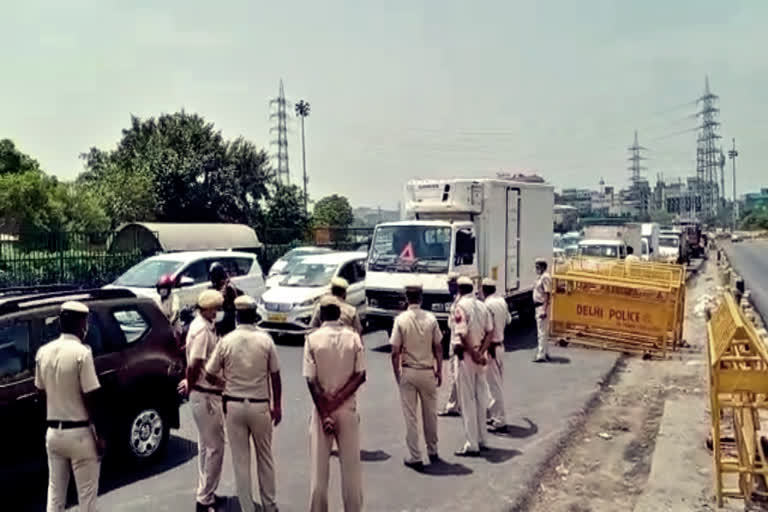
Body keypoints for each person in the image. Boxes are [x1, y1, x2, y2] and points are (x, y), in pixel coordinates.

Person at [205, 295, 282, 512]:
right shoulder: (265, 340)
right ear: (254, 316)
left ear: (237, 316)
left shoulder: (226, 341)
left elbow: (209, 374)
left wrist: (225, 384)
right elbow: (275, 376)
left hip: (234, 406)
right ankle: (269, 505)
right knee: (265, 457)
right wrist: (278, 406)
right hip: (260, 405)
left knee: (241, 461)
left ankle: (247, 508)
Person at [34, 301, 104, 512]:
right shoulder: (82, 353)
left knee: (55, 495)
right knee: (87, 498)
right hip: (80, 434)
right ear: (81, 323)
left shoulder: (43, 352)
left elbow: (40, 393)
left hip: (54, 433)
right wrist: (100, 436)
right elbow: (91, 396)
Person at [303, 296, 366, 512]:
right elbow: (360, 376)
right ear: (339, 314)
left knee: (319, 474)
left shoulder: (312, 339)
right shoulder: (353, 338)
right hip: (347, 409)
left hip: (322, 411)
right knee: (351, 472)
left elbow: (311, 380)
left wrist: (325, 411)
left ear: (321, 314)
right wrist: (338, 400)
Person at [390, 283, 443, 469]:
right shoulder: (431, 318)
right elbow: (438, 346)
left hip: (409, 370)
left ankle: (415, 456)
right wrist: (440, 370)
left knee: (410, 416)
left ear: (406, 299)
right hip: (427, 370)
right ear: (421, 298)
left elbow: (394, 351)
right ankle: (433, 450)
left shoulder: (400, 320)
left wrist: (397, 373)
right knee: (430, 414)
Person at [186, 289, 226, 512]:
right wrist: (193, 384)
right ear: (208, 309)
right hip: (206, 393)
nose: (217, 313)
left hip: (201, 393)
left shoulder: (200, 325)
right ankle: (205, 498)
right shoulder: (202, 330)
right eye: (216, 309)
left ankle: (206, 492)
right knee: (215, 448)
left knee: (205, 447)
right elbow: (195, 364)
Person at [453, 277, 493, 456]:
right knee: (480, 398)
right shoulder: (482, 305)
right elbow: (490, 332)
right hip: (480, 353)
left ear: (460, 289)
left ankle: (472, 443)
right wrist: (481, 352)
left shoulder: (460, 306)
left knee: (468, 400)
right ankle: (483, 439)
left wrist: (473, 354)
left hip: (467, 357)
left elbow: (461, 335)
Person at [480, 278, 511, 431]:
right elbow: (508, 320)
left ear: (484, 289)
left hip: (492, 348)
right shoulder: (502, 301)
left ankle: (501, 420)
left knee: (494, 386)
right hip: (500, 345)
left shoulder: (487, 305)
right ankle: (493, 415)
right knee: (494, 384)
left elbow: (488, 329)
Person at [438, 272, 462, 417]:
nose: (448, 287)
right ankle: (455, 404)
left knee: (456, 376)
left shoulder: (459, 302)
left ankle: (454, 406)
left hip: (457, 343)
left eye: (450, 284)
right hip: (454, 340)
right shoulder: (456, 300)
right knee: (456, 376)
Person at [209, 262, 242, 336]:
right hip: (217, 316)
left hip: (228, 315)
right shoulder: (213, 287)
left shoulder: (229, 287)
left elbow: (235, 302)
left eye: (214, 275)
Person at [533, 258, 553, 363]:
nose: (536, 269)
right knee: (543, 331)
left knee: (541, 332)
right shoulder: (541, 277)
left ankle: (541, 355)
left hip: (542, 306)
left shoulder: (545, 277)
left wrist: (544, 310)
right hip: (539, 306)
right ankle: (545, 352)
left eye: (537, 267)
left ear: (542, 267)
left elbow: (547, 294)